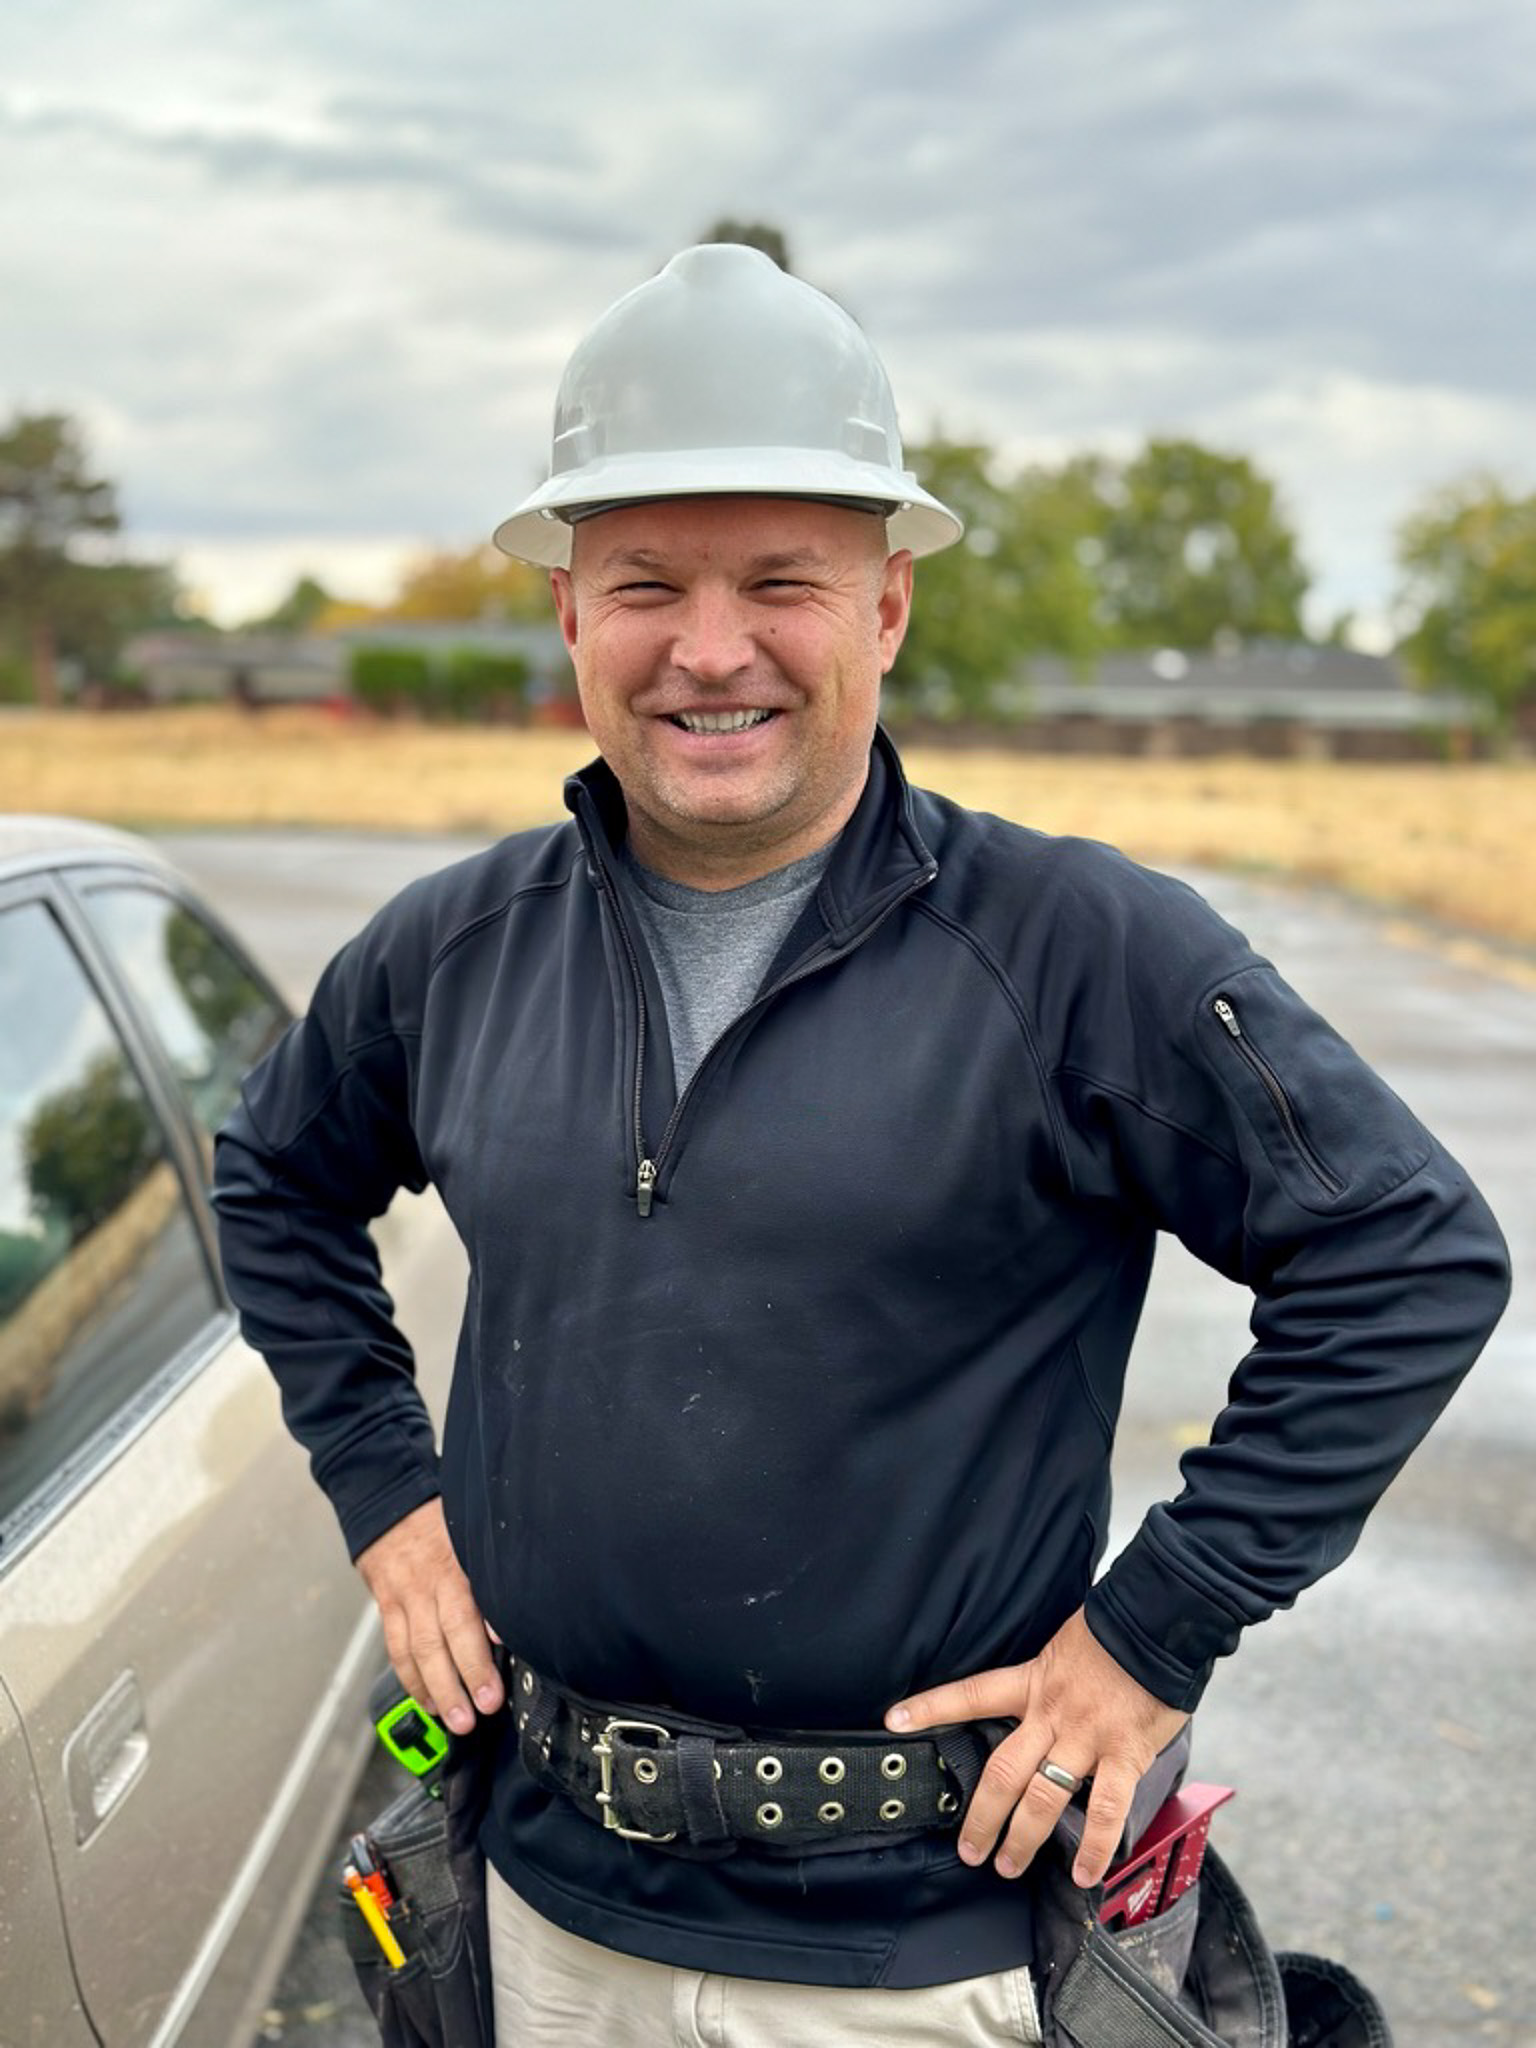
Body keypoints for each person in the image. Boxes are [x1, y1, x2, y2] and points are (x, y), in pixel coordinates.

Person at [214, 244, 1510, 2046]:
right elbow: (270, 1176)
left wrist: (1156, 1632)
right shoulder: (450, 951)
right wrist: (386, 1496)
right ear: (572, 617)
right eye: (647, 582)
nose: (712, 646)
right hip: (539, 1913)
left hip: (928, 1961)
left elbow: (1407, 1255)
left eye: (782, 583)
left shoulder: (1075, 951)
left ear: (888, 609)